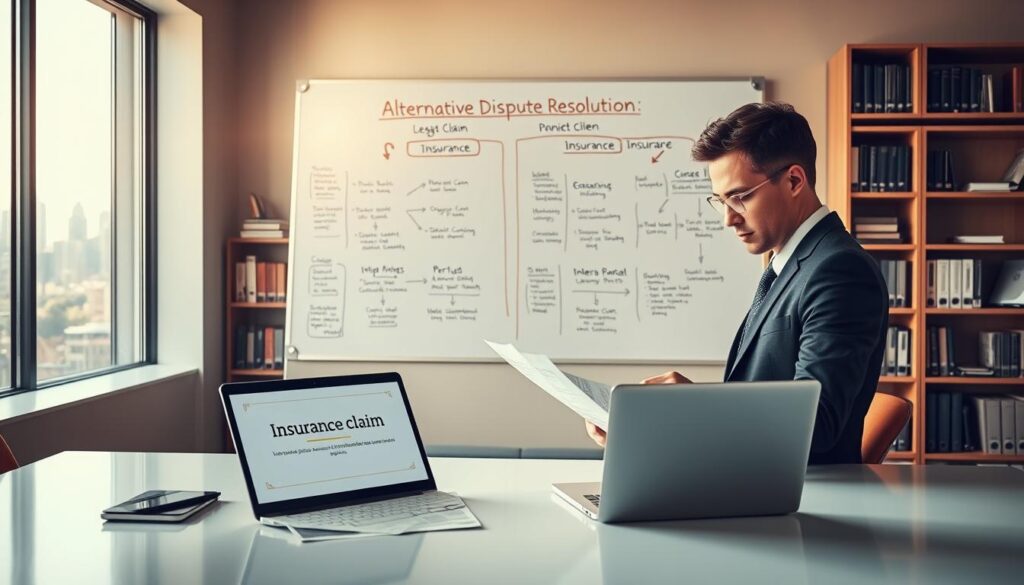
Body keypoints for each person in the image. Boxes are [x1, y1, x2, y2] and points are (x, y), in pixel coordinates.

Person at [586, 102, 889, 465]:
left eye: (740, 197)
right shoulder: (791, 264)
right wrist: (656, 422)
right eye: (720, 201)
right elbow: (755, 407)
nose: (728, 219)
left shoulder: (839, 270)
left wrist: (698, 405)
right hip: (749, 481)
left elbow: (816, 425)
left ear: (794, 180)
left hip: (791, 501)